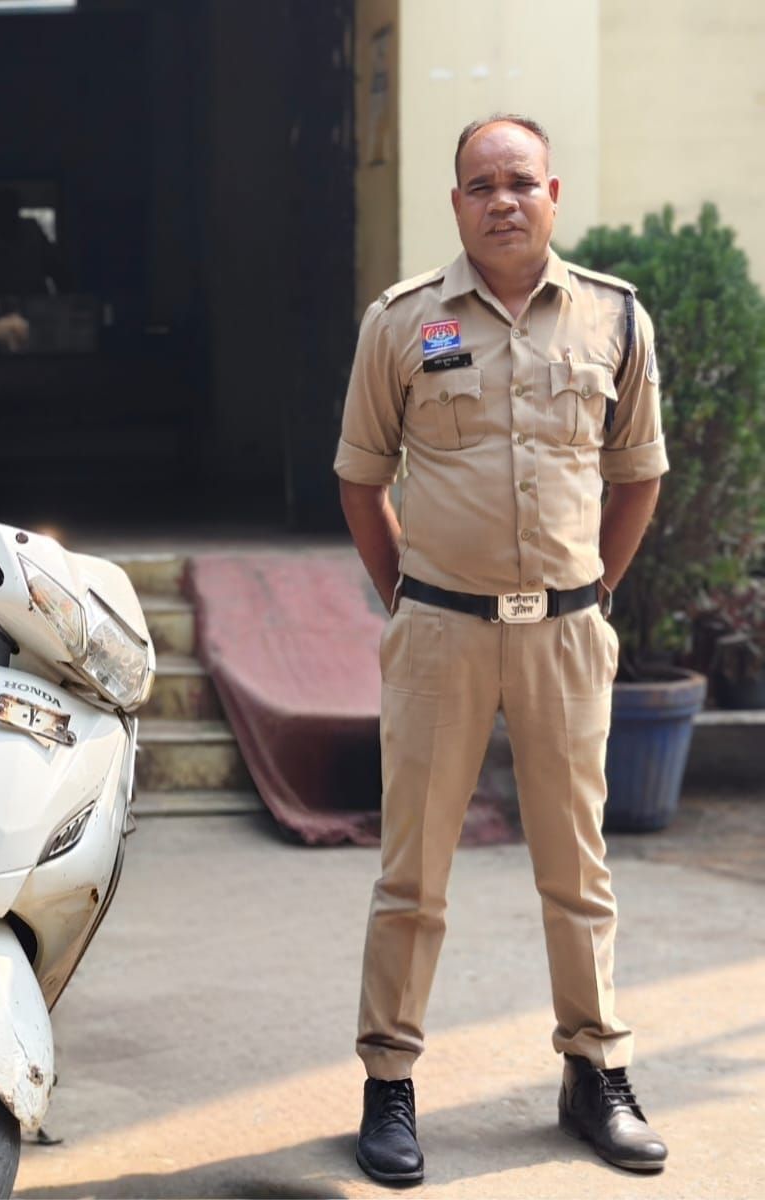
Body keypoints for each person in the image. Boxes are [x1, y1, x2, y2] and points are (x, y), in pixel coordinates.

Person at [335, 114, 670, 1183]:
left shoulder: (614, 317)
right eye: (480, 186)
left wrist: (595, 592)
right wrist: (408, 598)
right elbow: (360, 477)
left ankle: (596, 1072)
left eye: (520, 181)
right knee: (412, 875)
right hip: (439, 632)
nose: (502, 201)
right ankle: (389, 1083)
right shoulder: (402, 322)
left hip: (564, 634)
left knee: (578, 871)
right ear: (456, 205)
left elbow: (637, 474)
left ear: (552, 194)